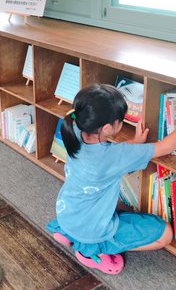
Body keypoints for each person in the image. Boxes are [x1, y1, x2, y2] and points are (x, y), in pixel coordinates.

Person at [46, 83, 175, 275]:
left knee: (118, 207)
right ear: (107, 128)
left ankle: (68, 233)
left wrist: (135, 144)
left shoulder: (73, 128)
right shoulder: (114, 155)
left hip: (69, 213)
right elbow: (163, 148)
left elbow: (114, 157)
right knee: (165, 234)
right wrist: (136, 146)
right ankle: (93, 250)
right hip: (94, 228)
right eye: (121, 120)